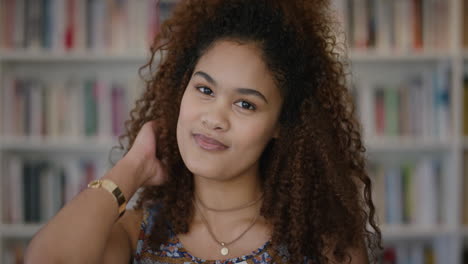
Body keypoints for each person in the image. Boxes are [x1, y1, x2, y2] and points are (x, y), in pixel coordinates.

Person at [25, 0, 382, 263]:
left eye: (246, 104)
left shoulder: (324, 245)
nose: (215, 118)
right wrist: (132, 168)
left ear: (281, 127)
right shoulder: (135, 233)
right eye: (205, 90)